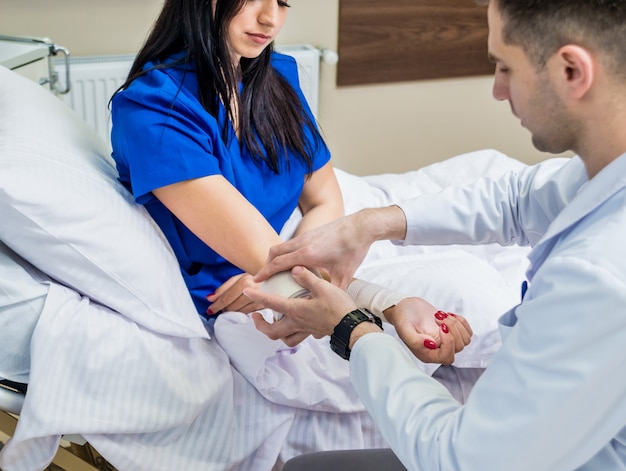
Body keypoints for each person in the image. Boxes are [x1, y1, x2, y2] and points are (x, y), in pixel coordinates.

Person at [247, 0, 626, 469]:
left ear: (572, 70)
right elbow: (517, 199)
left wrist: (354, 326)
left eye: (505, 67)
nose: (497, 90)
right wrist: (369, 223)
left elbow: (461, 458)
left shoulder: (600, 277)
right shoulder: (605, 170)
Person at [110, 0, 344, 320]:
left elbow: (325, 199)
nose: (270, 18)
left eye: (283, 1)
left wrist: (283, 275)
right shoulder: (155, 108)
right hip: (224, 303)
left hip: (277, 278)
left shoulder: (277, 77)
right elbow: (275, 268)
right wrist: (281, 277)